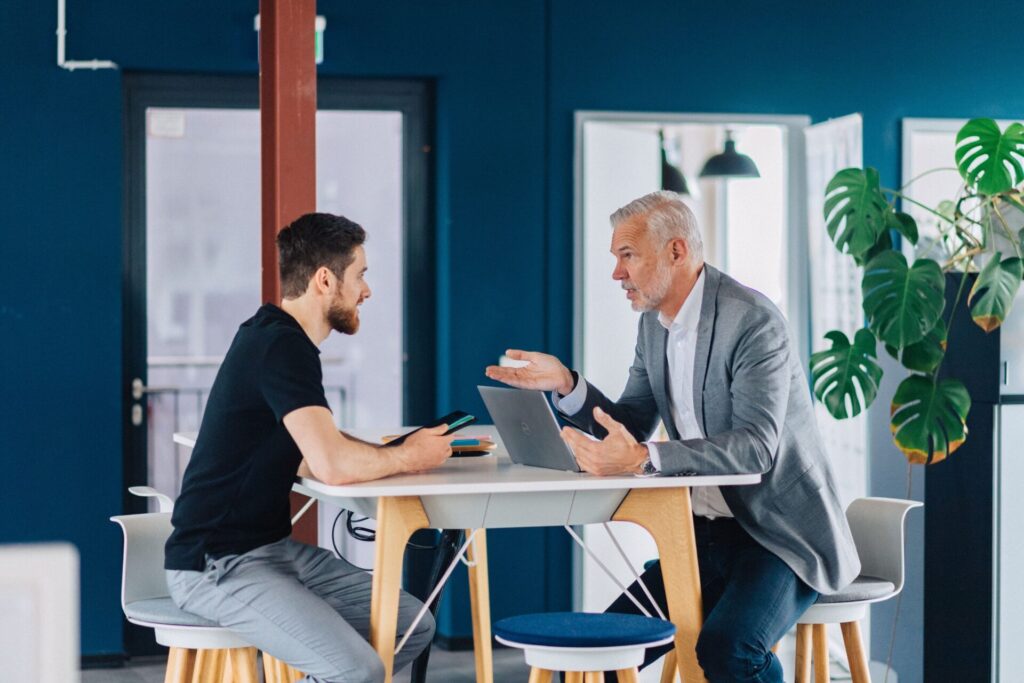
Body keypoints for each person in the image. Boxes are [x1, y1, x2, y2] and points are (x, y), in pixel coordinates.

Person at [485, 191, 859, 683]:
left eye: (628, 256)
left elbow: (756, 446)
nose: (617, 273)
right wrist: (566, 385)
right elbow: (631, 422)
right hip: (700, 535)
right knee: (601, 654)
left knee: (728, 651)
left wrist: (642, 457)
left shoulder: (752, 321)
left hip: (779, 536)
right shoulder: (653, 326)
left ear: (676, 252)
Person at [165, 213, 455, 683]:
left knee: (411, 626)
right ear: (325, 279)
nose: (367, 290)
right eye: (360, 274)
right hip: (217, 565)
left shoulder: (275, 336)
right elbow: (333, 466)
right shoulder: (281, 346)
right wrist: (408, 456)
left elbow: (316, 450)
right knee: (358, 670)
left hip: (271, 551)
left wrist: (392, 453)